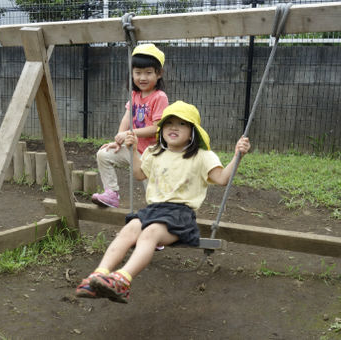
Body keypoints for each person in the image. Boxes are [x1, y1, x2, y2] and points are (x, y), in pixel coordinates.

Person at [76, 101, 251, 303]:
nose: (173, 127)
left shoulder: (203, 156)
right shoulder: (154, 152)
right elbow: (139, 174)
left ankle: (123, 279)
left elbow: (222, 179)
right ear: (162, 129)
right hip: (153, 211)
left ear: (193, 131)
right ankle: (99, 274)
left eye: (181, 124)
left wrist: (238, 155)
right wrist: (133, 151)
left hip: (179, 215)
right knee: (129, 229)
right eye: (168, 123)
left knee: (149, 233)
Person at [91, 43, 168, 208]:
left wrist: (130, 134)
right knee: (104, 154)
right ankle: (112, 194)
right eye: (138, 72)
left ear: (159, 74)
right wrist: (119, 139)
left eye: (148, 73)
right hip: (133, 150)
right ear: (132, 73)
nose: (142, 77)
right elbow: (126, 118)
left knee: (152, 193)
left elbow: (157, 128)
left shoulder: (159, 97)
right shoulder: (134, 95)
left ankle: (159, 211)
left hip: (151, 154)